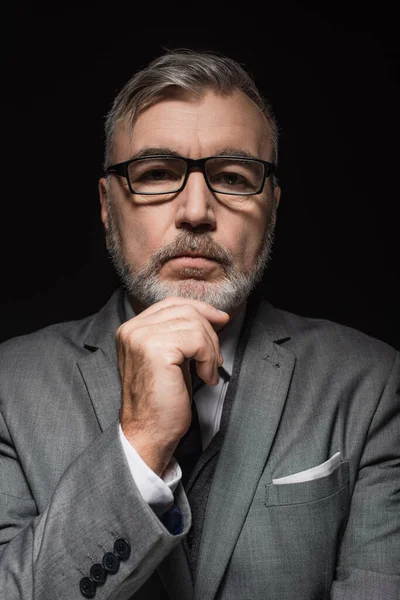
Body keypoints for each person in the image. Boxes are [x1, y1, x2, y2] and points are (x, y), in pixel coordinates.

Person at [0, 49, 399, 600]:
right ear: (107, 205)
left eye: (233, 177)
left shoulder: (373, 383)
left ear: (273, 207)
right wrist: (140, 444)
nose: (195, 211)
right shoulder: (8, 386)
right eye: (157, 173)